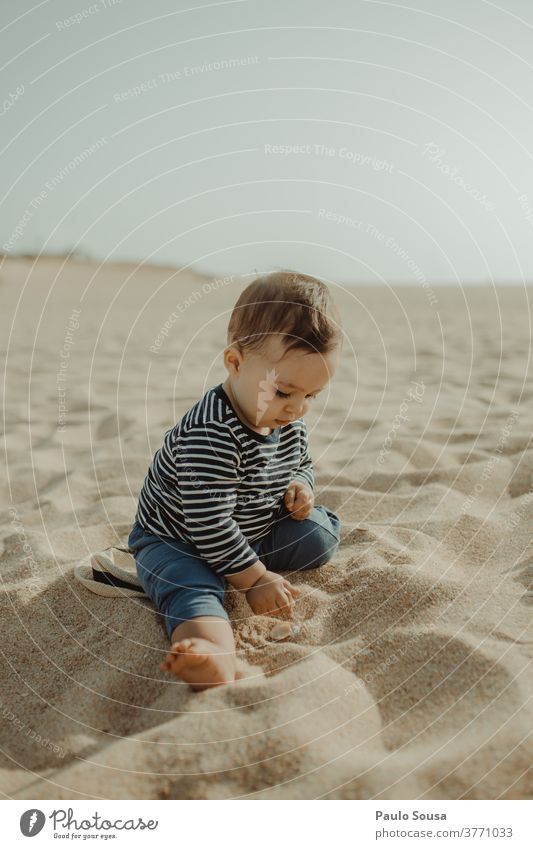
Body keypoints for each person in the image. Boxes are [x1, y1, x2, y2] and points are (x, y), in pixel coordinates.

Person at [128, 270, 343, 690]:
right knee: (193, 590)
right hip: (179, 540)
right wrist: (256, 579)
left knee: (321, 533)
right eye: (284, 392)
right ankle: (207, 651)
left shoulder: (286, 418)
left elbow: (301, 460)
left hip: (247, 526)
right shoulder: (211, 433)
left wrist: (300, 485)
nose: (297, 409)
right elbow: (208, 523)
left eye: (310, 396)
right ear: (235, 362)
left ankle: (238, 563)